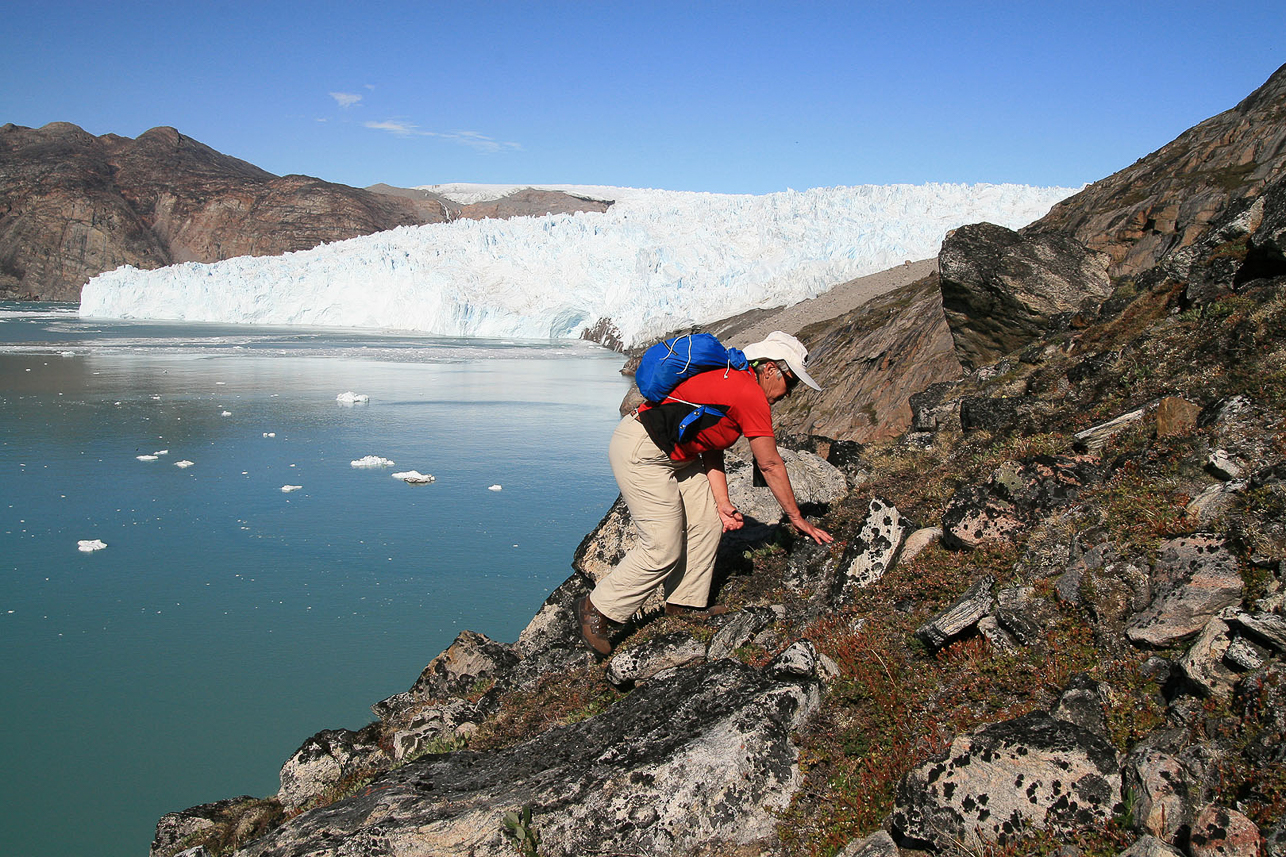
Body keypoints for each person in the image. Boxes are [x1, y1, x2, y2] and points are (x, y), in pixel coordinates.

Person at [577, 331, 834, 656]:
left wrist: (723, 502)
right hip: (643, 450)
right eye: (791, 381)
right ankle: (596, 608)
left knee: (710, 519)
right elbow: (769, 464)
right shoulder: (748, 392)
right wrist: (797, 518)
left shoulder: (735, 381)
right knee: (661, 547)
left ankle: (685, 604)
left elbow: (711, 443)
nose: (789, 393)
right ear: (769, 368)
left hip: (675, 455)